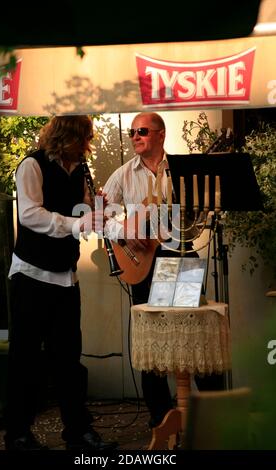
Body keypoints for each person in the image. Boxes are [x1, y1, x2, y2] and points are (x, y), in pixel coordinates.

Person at [103, 112, 224, 428]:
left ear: (160, 134)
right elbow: (101, 216)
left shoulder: (181, 172)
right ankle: (160, 422)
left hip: (179, 258)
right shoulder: (122, 175)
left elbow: (204, 208)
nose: (135, 136)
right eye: (132, 132)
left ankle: (216, 417)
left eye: (141, 130)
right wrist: (126, 231)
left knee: (193, 334)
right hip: (141, 262)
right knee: (151, 344)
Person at [4, 115, 117, 451]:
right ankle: (18, 435)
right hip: (31, 274)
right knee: (26, 359)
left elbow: (81, 217)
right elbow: (30, 214)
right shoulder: (31, 166)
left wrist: (97, 210)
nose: (88, 146)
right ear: (67, 137)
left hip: (65, 277)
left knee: (69, 358)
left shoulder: (79, 168)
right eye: (84, 139)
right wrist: (75, 223)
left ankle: (78, 433)